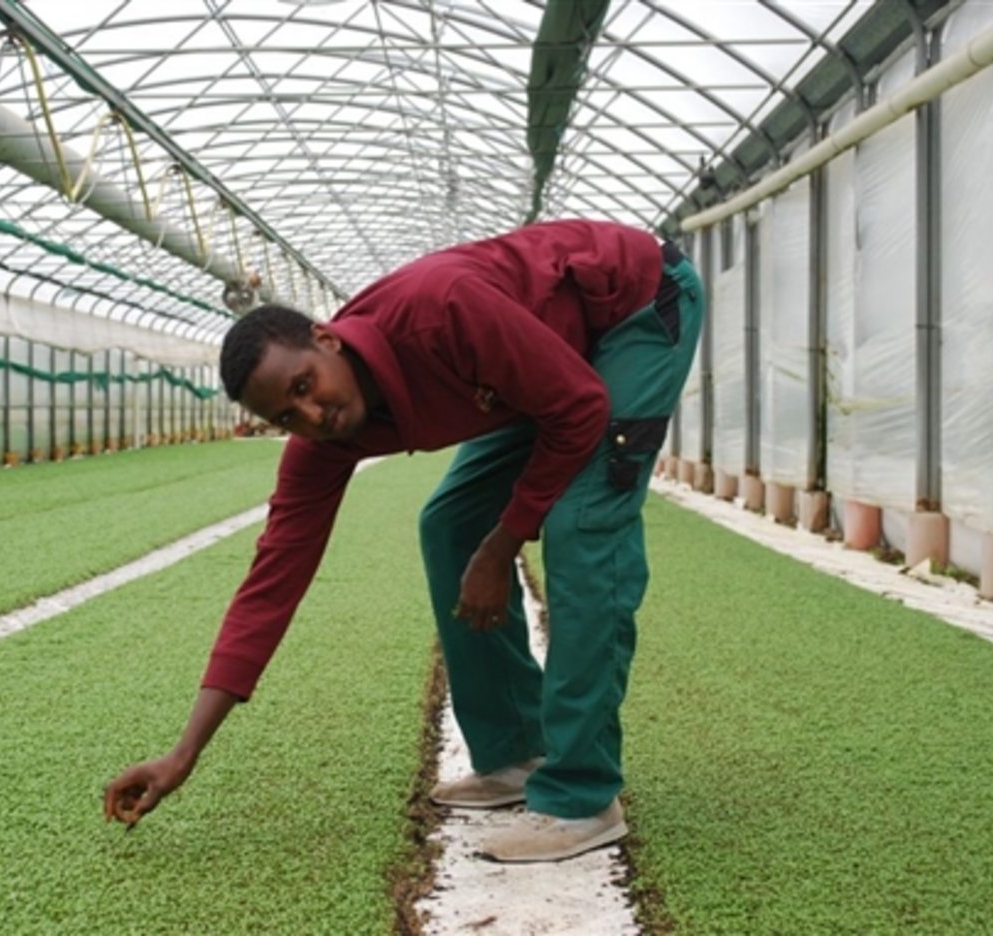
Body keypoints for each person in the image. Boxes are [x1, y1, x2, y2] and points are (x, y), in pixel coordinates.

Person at [103, 218, 705, 863]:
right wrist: (183, 752)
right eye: (285, 416)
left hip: (633, 305)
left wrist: (501, 548)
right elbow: (269, 588)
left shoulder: (439, 311)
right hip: (544, 365)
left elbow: (581, 407)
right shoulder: (321, 446)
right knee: (448, 525)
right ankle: (517, 752)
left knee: (582, 522)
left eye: (305, 385)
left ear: (326, 339)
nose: (311, 416)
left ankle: (583, 795)